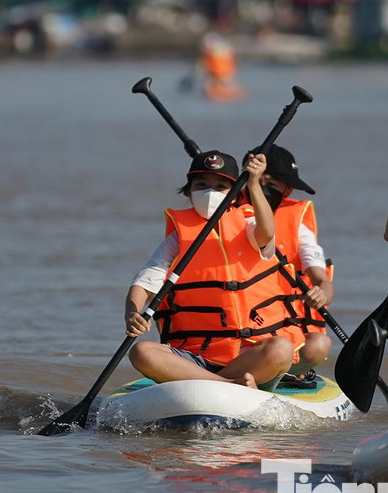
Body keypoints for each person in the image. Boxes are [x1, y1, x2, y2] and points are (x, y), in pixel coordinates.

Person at [124, 149, 306, 389]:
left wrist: (253, 182)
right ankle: (228, 384)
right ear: (189, 192)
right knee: (141, 352)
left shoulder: (249, 225)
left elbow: (267, 233)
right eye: (202, 185)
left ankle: (214, 384)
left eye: (220, 186)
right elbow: (144, 284)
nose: (210, 192)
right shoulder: (178, 239)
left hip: (247, 354)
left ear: (234, 194)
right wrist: (132, 313)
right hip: (194, 357)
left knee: (281, 348)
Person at [253, 143, 335, 379]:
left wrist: (322, 292)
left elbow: (321, 280)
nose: (266, 190)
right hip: (242, 324)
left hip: (281, 323)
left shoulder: (296, 223)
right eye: (262, 183)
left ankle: (285, 373)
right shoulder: (227, 214)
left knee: (319, 344)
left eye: (274, 186)